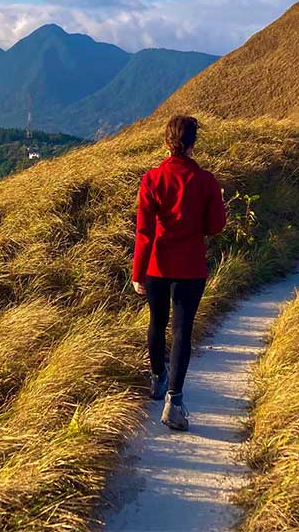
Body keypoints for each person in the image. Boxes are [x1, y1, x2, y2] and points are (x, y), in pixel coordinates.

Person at [131, 114, 227, 431]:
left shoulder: (151, 179)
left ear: (166, 141)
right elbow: (215, 226)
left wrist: (138, 271)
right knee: (183, 331)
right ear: (193, 143)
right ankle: (175, 399)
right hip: (191, 266)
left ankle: (158, 377)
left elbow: (144, 231)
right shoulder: (207, 181)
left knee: (157, 323)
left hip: (156, 265)